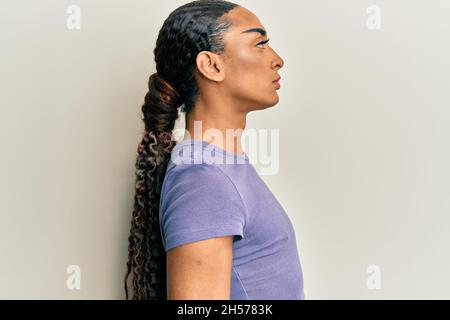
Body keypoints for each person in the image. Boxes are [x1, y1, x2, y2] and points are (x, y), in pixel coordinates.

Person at [124, 0, 305, 300]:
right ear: (211, 65)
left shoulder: (220, 167)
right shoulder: (203, 180)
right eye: (260, 44)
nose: (277, 59)